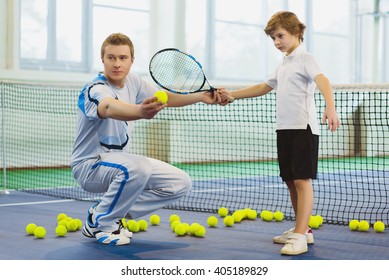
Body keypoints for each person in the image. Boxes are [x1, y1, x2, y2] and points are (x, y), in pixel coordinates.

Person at [71, 33, 222, 245]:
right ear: (102, 59)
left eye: (123, 58)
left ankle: (106, 213)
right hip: (90, 165)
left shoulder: (133, 81)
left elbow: (165, 97)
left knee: (180, 182)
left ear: (132, 60)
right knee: (138, 166)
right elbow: (107, 107)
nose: (117, 64)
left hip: (119, 164)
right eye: (111, 58)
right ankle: (102, 222)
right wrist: (140, 111)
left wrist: (199, 97)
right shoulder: (95, 89)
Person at [219, 11, 340, 255]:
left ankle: (300, 235)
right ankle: (302, 229)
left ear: (297, 32)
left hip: (303, 128)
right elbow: (264, 87)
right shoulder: (284, 63)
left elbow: (323, 80)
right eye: (273, 38)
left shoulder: (305, 58)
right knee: (289, 180)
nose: (276, 42)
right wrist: (233, 95)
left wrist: (330, 106)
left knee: (301, 180)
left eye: (280, 36)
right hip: (284, 128)